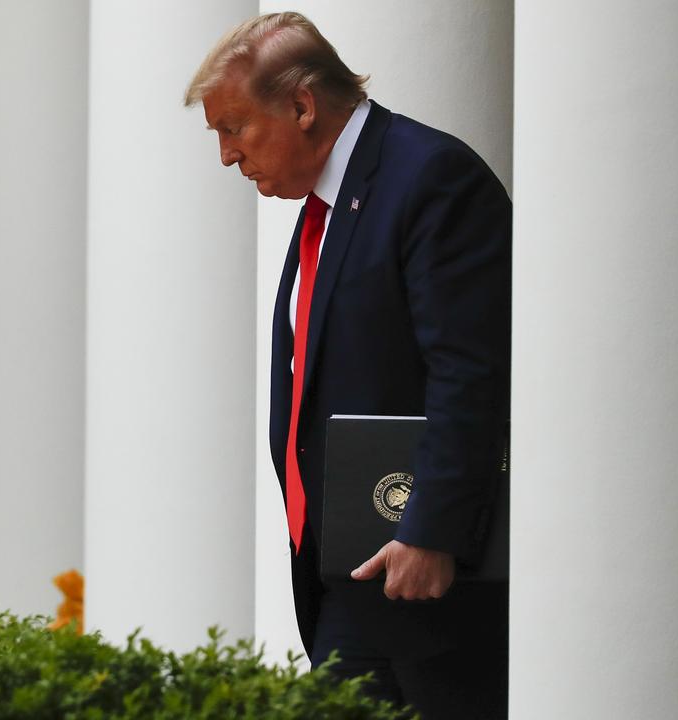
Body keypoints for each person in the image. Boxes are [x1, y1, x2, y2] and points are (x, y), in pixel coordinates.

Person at [185, 12, 511, 720]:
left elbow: (470, 370)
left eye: (233, 127)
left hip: (428, 586)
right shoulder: (324, 208)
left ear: (302, 105)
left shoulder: (429, 177)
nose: (226, 156)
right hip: (350, 580)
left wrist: (431, 529)